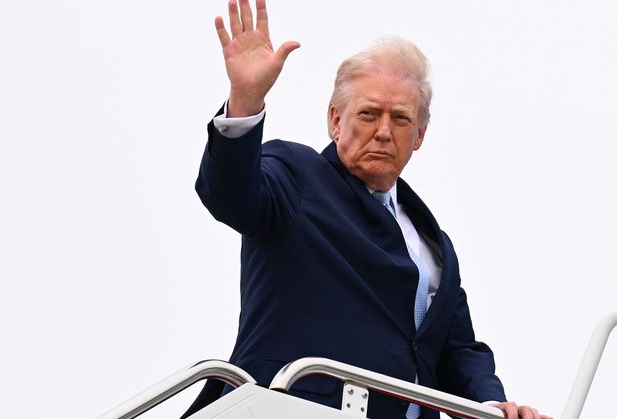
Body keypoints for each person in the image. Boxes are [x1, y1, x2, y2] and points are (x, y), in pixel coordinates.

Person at [185, 0, 551, 418]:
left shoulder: (433, 244)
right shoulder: (296, 179)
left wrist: (493, 407)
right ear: (335, 120)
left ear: (419, 136)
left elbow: (455, 348)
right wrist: (245, 101)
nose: (382, 131)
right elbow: (229, 193)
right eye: (368, 113)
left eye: (399, 118)